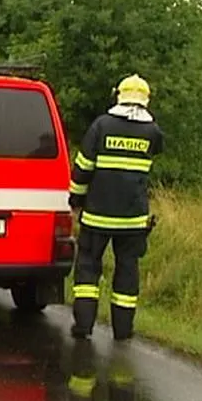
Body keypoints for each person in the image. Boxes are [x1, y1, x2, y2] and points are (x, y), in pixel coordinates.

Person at [68, 74, 164, 341]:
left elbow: (83, 168)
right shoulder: (152, 131)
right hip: (133, 219)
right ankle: (123, 331)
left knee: (88, 268)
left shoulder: (101, 125)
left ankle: (83, 327)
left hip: (97, 216)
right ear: (146, 99)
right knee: (127, 271)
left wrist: (76, 200)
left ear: (118, 95)